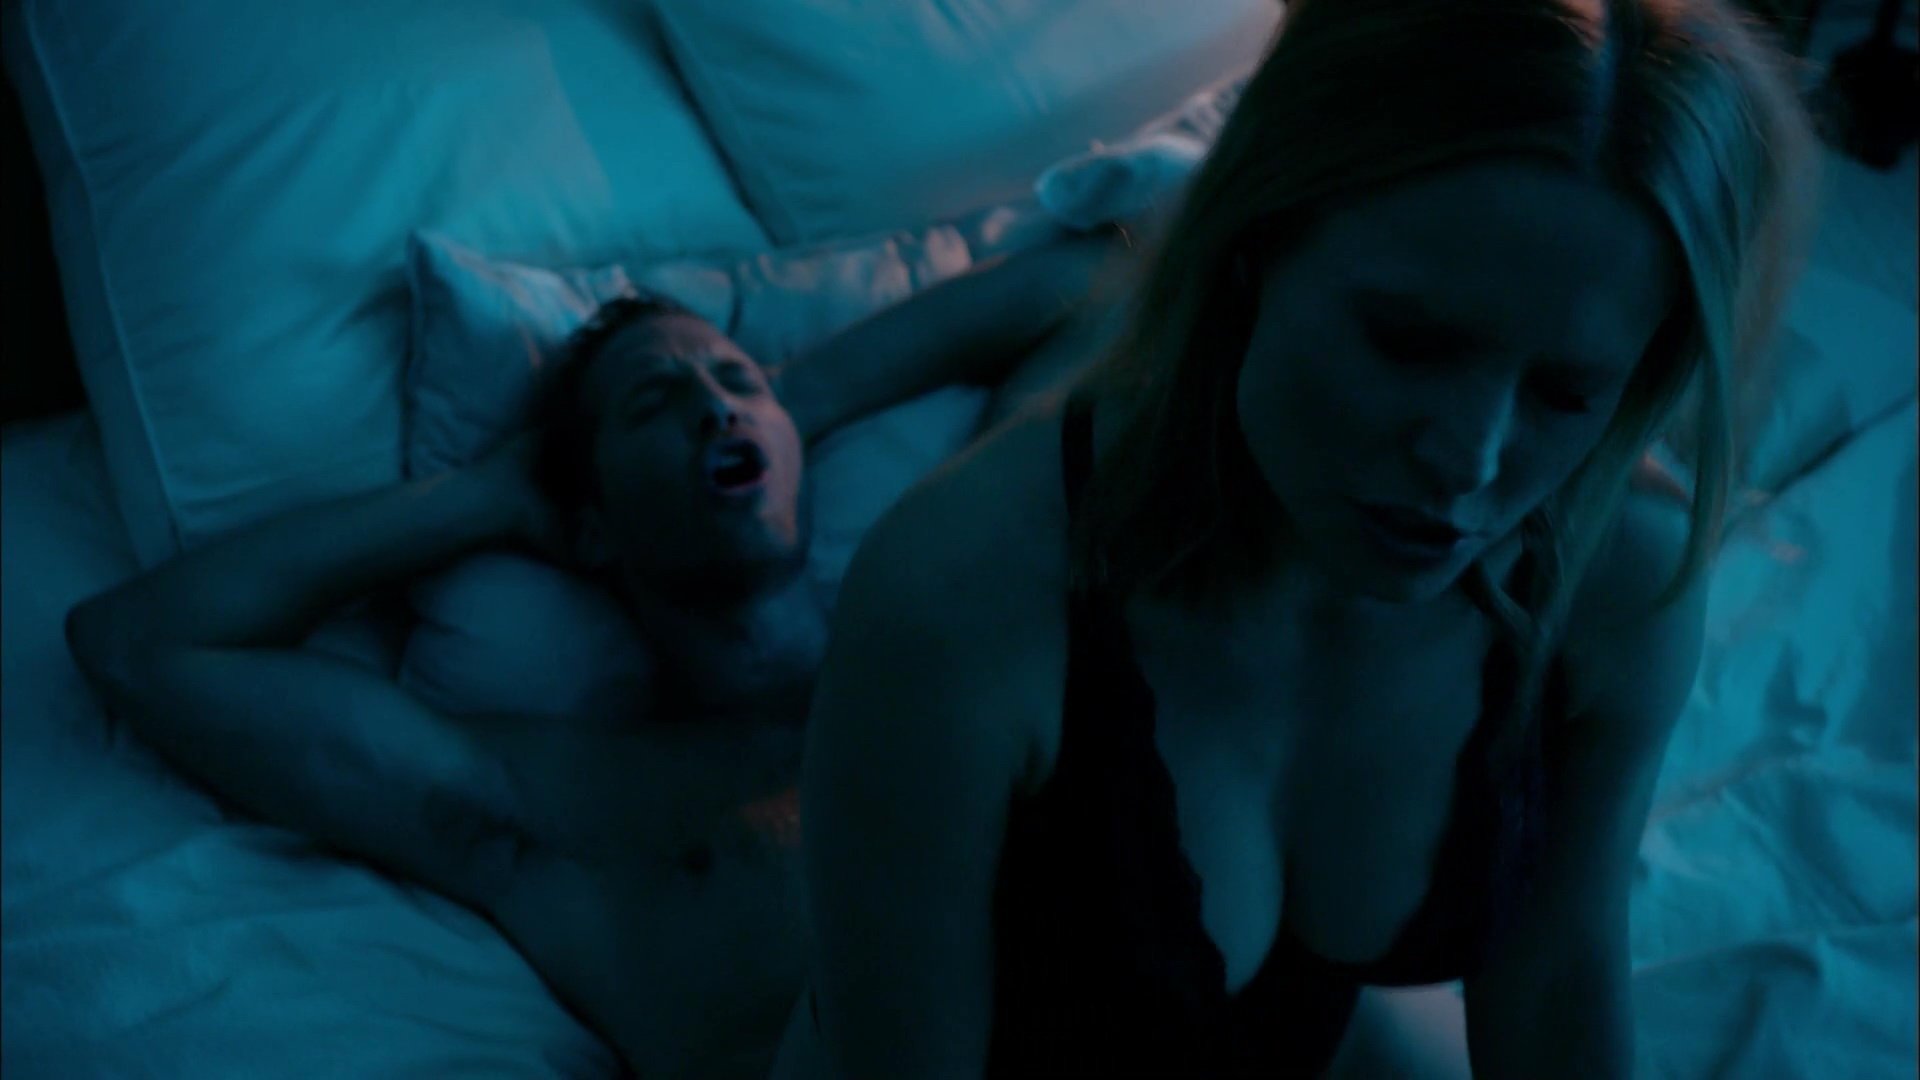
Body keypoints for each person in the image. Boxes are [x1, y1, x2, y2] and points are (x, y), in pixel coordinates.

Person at [780, 0, 1820, 1077]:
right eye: (1409, 344)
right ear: (1253, 243)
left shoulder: (1618, 567)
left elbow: (1558, 976)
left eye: (1565, 390)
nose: (1468, 463)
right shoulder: (960, 598)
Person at [61, 228, 1129, 1079]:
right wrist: (486, 497)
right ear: (589, 530)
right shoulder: (570, 809)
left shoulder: (968, 603)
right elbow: (142, 645)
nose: (713, 404)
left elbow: (1105, 284)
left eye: (735, 380)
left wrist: (788, 403)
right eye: (654, 405)